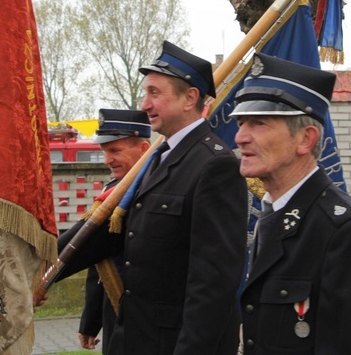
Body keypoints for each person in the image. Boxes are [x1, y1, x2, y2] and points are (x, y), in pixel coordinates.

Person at [48, 41, 248, 355]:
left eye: (155, 93)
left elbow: (213, 284)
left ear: (189, 98)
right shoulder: (158, 160)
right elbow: (108, 236)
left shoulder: (214, 165)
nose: (144, 104)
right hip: (135, 338)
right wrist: (41, 270)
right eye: (146, 93)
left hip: (174, 344)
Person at [230, 52, 351, 354]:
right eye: (241, 123)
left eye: (258, 123)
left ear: (305, 139)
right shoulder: (271, 216)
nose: (240, 137)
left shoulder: (344, 232)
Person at [71, 109, 151, 352]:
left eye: (115, 151)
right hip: (114, 309)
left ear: (144, 149)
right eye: (105, 152)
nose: (107, 159)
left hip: (146, 315)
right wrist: (90, 322)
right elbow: (98, 260)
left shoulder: (151, 190)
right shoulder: (112, 192)